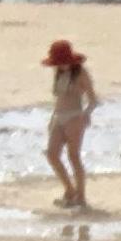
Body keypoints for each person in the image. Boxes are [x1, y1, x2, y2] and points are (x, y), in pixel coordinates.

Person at [41, 36, 97, 210]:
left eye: (63, 62)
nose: (60, 66)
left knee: (73, 156)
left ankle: (81, 196)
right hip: (59, 115)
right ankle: (69, 189)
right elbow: (58, 99)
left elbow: (93, 99)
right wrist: (52, 119)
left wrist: (86, 114)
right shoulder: (58, 73)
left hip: (74, 116)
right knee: (52, 154)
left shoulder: (81, 73)